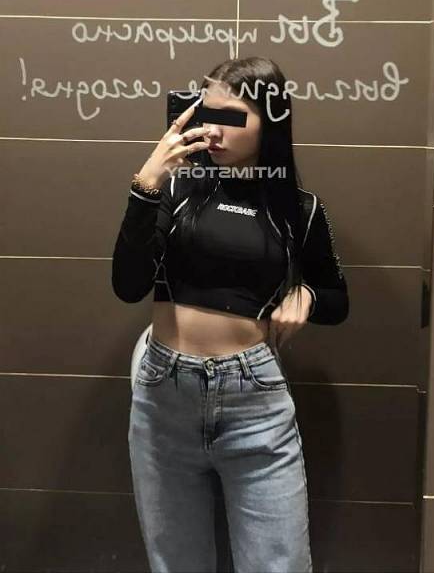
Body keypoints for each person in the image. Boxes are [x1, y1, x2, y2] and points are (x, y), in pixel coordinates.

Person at [112, 57, 349, 573]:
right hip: (163, 396)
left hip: (254, 404)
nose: (213, 131)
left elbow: (337, 299)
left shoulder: (301, 210)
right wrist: (147, 183)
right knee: (177, 563)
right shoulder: (175, 190)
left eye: (232, 118)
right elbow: (127, 286)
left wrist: (308, 295)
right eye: (207, 115)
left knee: (278, 564)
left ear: (271, 121)